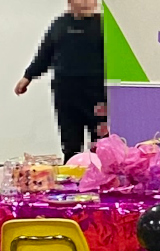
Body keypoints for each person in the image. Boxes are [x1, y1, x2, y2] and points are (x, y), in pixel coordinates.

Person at [16, 0, 105, 158]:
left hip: (97, 92)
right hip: (66, 92)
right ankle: (72, 175)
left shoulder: (104, 26)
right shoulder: (59, 25)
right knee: (70, 141)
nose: (86, 2)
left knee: (100, 141)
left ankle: (99, 177)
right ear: (70, 1)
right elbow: (45, 53)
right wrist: (28, 76)